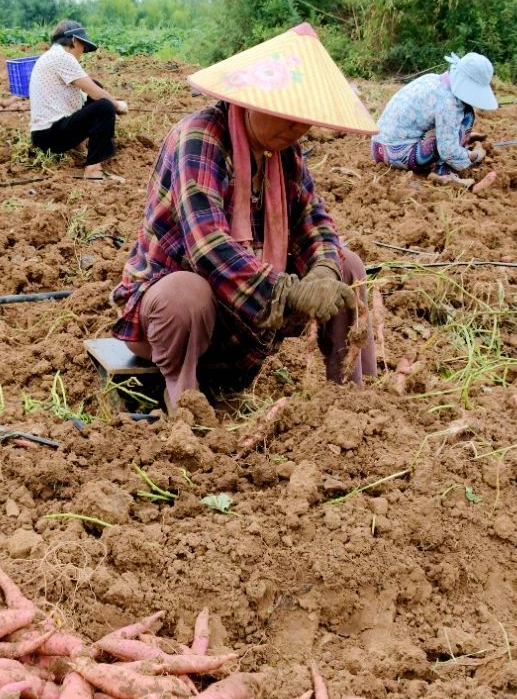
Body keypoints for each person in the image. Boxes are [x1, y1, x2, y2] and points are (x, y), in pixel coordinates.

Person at [112, 23, 379, 411]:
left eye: (304, 118)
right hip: (179, 314)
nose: (296, 128)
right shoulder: (200, 137)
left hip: (248, 312)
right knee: (184, 293)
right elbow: (208, 247)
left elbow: (314, 220)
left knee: (346, 265)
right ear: (252, 100)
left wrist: (323, 271)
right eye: (286, 114)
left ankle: (349, 401)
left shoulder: (285, 152)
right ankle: (186, 405)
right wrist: (287, 293)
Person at [370, 52, 498, 188]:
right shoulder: (450, 104)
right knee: (467, 115)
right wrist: (476, 155)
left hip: (378, 147)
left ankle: (457, 138)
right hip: (400, 154)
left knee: (449, 128)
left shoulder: (432, 79)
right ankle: (444, 172)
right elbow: (448, 151)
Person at [28, 20, 129, 181]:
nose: (82, 52)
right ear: (74, 40)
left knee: (96, 88)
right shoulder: (62, 57)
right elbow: (96, 94)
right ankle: (93, 171)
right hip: (50, 135)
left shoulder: (52, 56)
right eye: (82, 46)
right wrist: (118, 105)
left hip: (45, 133)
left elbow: (90, 89)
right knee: (104, 106)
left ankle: (79, 146)